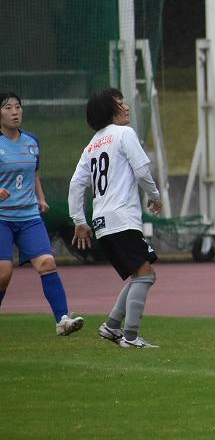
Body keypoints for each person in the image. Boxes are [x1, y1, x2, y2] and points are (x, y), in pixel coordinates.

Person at [68, 88, 162, 348]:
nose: (127, 107)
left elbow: (77, 184)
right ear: (110, 109)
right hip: (122, 219)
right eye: (121, 103)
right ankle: (130, 337)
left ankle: (111, 326)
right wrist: (154, 195)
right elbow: (142, 170)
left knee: (139, 274)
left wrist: (80, 221)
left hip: (102, 222)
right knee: (145, 274)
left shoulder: (92, 144)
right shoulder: (124, 134)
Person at [0, 91, 84, 336]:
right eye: (7, 108)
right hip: (2, 218)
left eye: (18, 106)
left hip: (29, 217)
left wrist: (42, 198)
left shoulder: (31, 141)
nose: (15, 112)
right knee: (4, 273)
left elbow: (33, 173)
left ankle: (63, 320)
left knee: (47, 263)